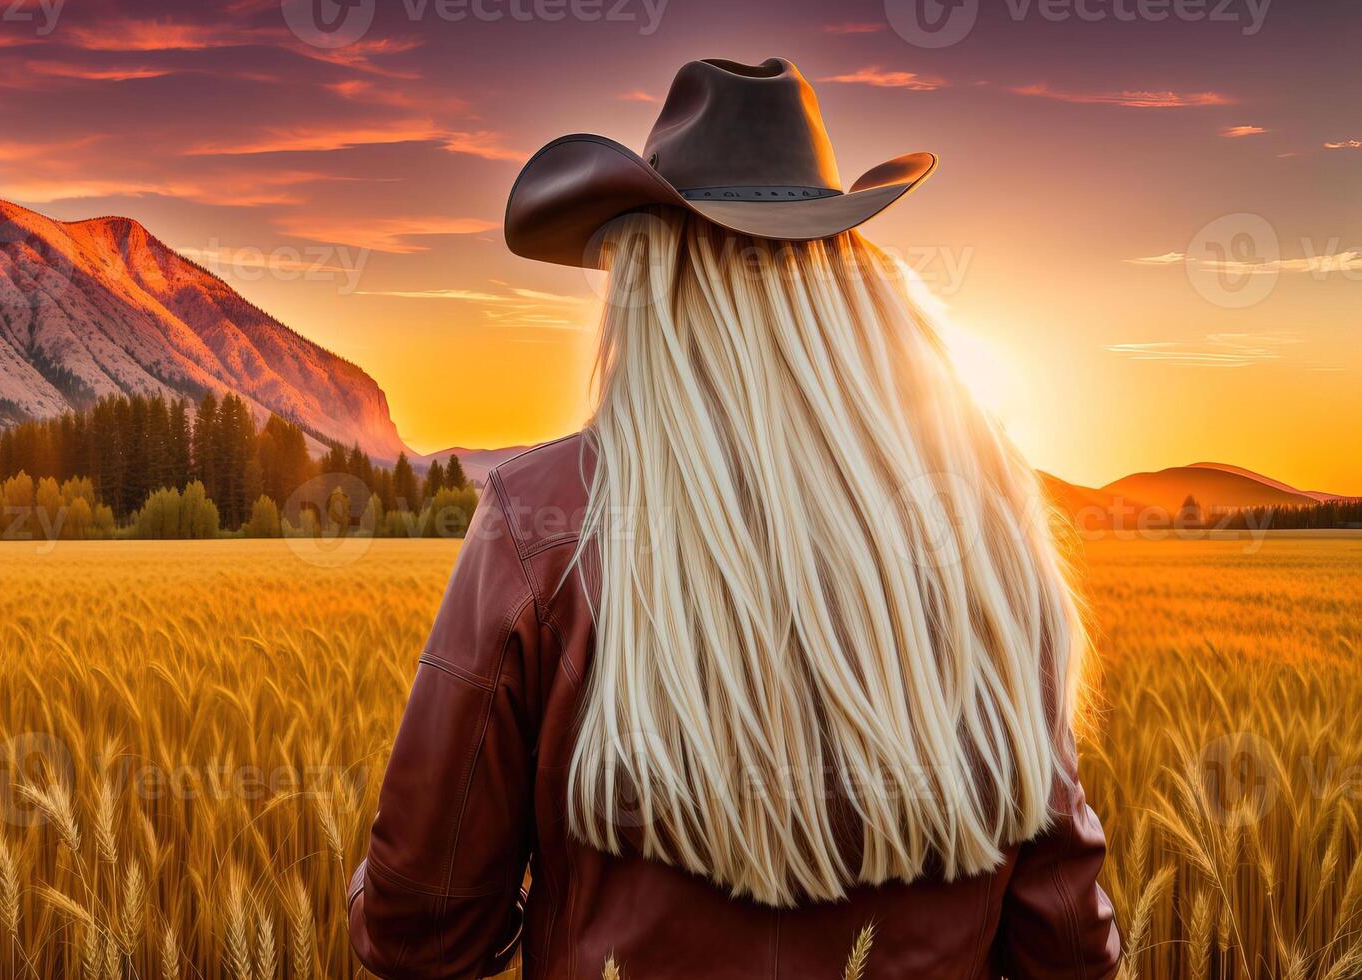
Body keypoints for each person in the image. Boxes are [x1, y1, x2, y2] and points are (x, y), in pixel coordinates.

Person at [347, 58, 1119, 979]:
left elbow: (421, 933)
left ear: (653, 282)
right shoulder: (984, 533)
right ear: (840, 279)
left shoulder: (544, 522)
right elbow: (1065, 947)